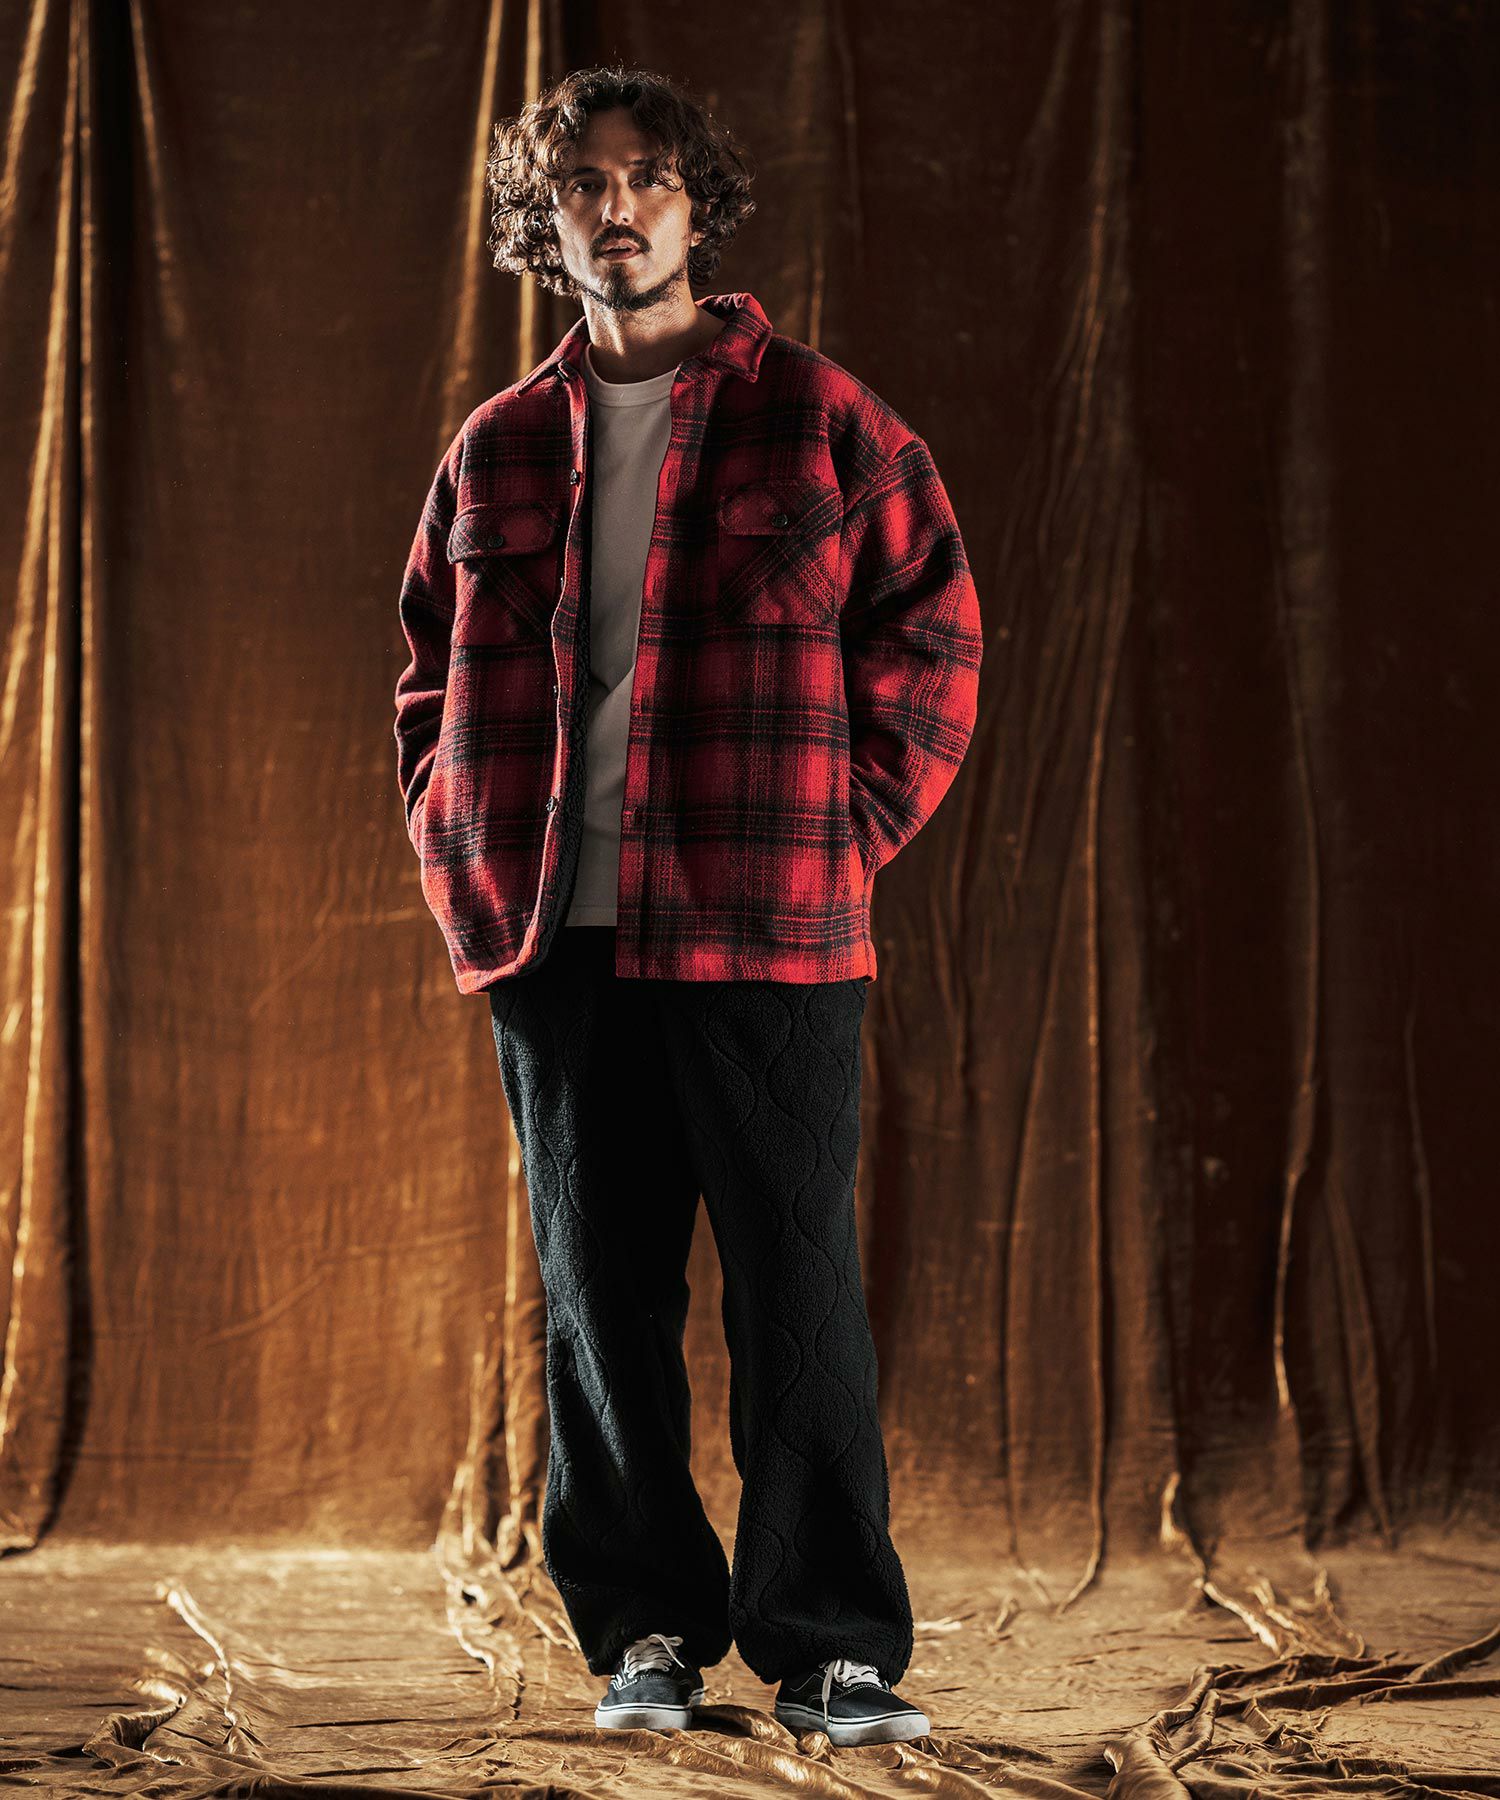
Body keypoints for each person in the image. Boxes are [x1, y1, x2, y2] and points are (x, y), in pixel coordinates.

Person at [393, 62, 982, 1747]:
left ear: (696, 205)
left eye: (648, 176)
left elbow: (936, 640)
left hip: (768, 929)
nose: (618, 206)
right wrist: (458, 842)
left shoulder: (825, 418)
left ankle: (833, 1645)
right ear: (547, 218)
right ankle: (644, 1630)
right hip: (555, 940)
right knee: (601, 1297)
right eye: (582, 182)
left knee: (798, 1288)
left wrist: (838, 836)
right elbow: (424, 685)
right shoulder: (498, 448)